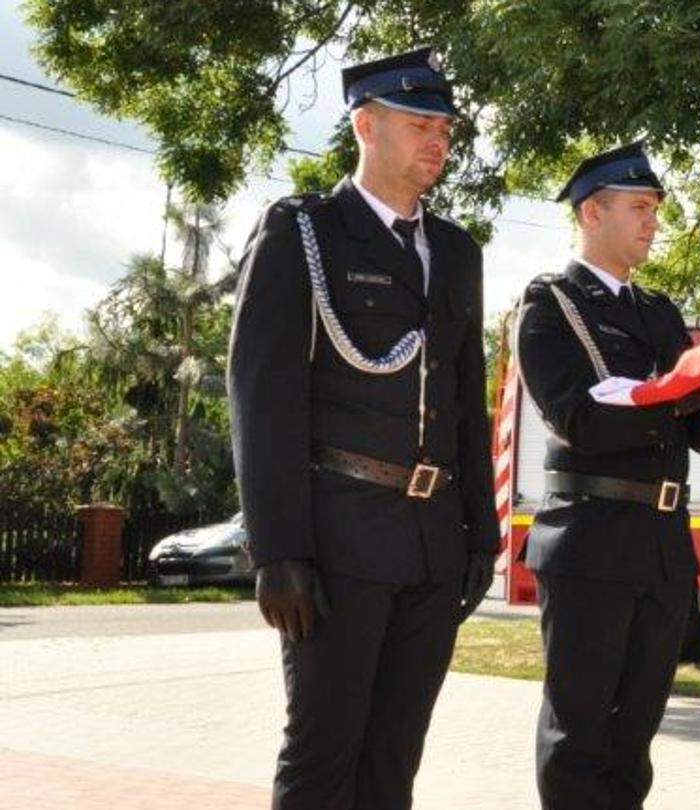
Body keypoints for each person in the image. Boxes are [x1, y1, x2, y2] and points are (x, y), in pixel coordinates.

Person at [227, 47, 499, 808]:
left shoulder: (455, 252)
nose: (438, 140)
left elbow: (464, 393)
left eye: (445, 127)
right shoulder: (304, 233)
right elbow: (261, 393)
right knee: (322, 759)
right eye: (420, 123)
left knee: (393, 764)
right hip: (339, 539)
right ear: (366, 124)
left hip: (432, 540)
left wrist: (480, 533)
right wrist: (277, 549)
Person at [516, 142, 700, 809]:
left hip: (660, 545)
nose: (653, 223)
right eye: (639, 208)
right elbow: (581, 420)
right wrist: (678, 394)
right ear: (592, 212)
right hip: (590, 537)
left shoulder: (657, 313)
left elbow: (697, 436)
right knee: (580, 734)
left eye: (655, 210)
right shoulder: (551, 305)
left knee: (634, 736)